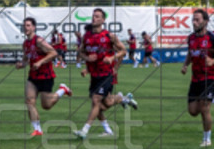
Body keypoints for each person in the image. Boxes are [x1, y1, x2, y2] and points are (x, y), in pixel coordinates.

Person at [74, 8, 138, 140]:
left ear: (103, 20)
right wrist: (87, 60)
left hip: (106, 74)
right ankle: (121, 100)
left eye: (97, 16)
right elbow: (80, 52)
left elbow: (123, 51)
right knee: (104, 105)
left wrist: (112, 59)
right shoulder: (87, 36)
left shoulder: (109, 36)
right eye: (93, 16)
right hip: (94, 75)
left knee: (96, 101)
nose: (94, 18)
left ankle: (84, 131)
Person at [17, 17, 71, 136]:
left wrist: (40, 62)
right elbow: (26, 60)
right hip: (33, 76)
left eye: (28, 25)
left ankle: (62, 90)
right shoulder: (25, 44)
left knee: (46, 105)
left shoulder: (39, 41)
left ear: (34, 27)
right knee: (29, 101)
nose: (26, 27)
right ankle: (37, 130)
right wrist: (21, 64)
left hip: (45, 76)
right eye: (24, 25)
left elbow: (53, 53)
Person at [181, 9, 214, 147]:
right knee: (193, 111)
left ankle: (207, 139)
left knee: (205, 108)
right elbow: (190, 53)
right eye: (193, 20)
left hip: (210, 77)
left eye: (197, 20)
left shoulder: (212, 38)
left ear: (205, 22)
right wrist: (185, 65)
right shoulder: (191, 38)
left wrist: (212, 61)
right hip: (196, 78)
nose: (194, 23)